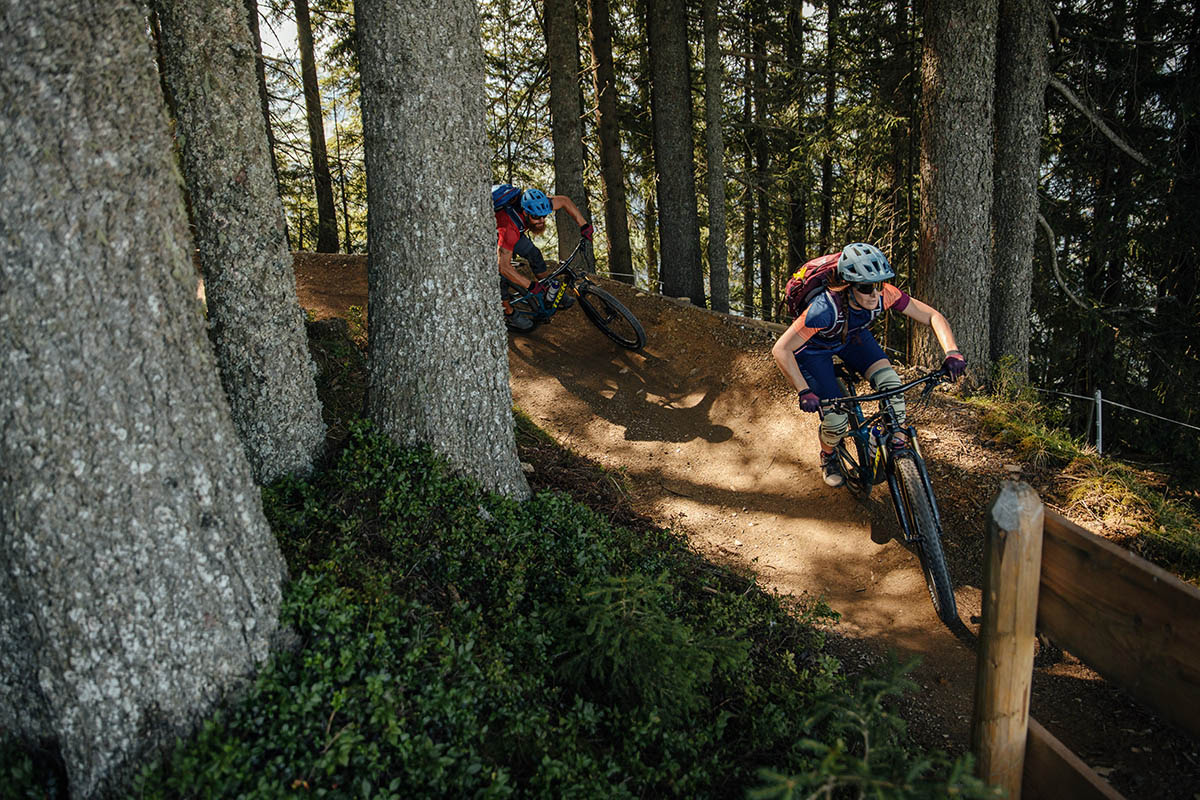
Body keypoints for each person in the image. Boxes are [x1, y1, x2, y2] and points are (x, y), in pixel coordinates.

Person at [770, 242, 967, 487]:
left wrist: (952, 352)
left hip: (853, 337)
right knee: (835, 421)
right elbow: (781, 349)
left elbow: (932, 316)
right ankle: (828, 456)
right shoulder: (823, 310)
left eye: (878, 284)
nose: (874, 294)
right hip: (814, 350)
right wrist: (804, 391)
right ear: (848, 286)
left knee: (891, 384)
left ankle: (895, 440)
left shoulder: (885, 294)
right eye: (865, 287)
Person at [497, 187, 594, 331]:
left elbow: (564, 201)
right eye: (536, 217)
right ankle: (509, 313)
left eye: (544, 216)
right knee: (500, 278)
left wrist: (584, 225)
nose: (541, 221)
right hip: (495, 237)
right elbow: (503, 267)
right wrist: (530, 285)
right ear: (525, 212)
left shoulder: (537, 205)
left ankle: (548, 289)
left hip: (515, 233)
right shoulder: (509, 228)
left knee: (534, 254)